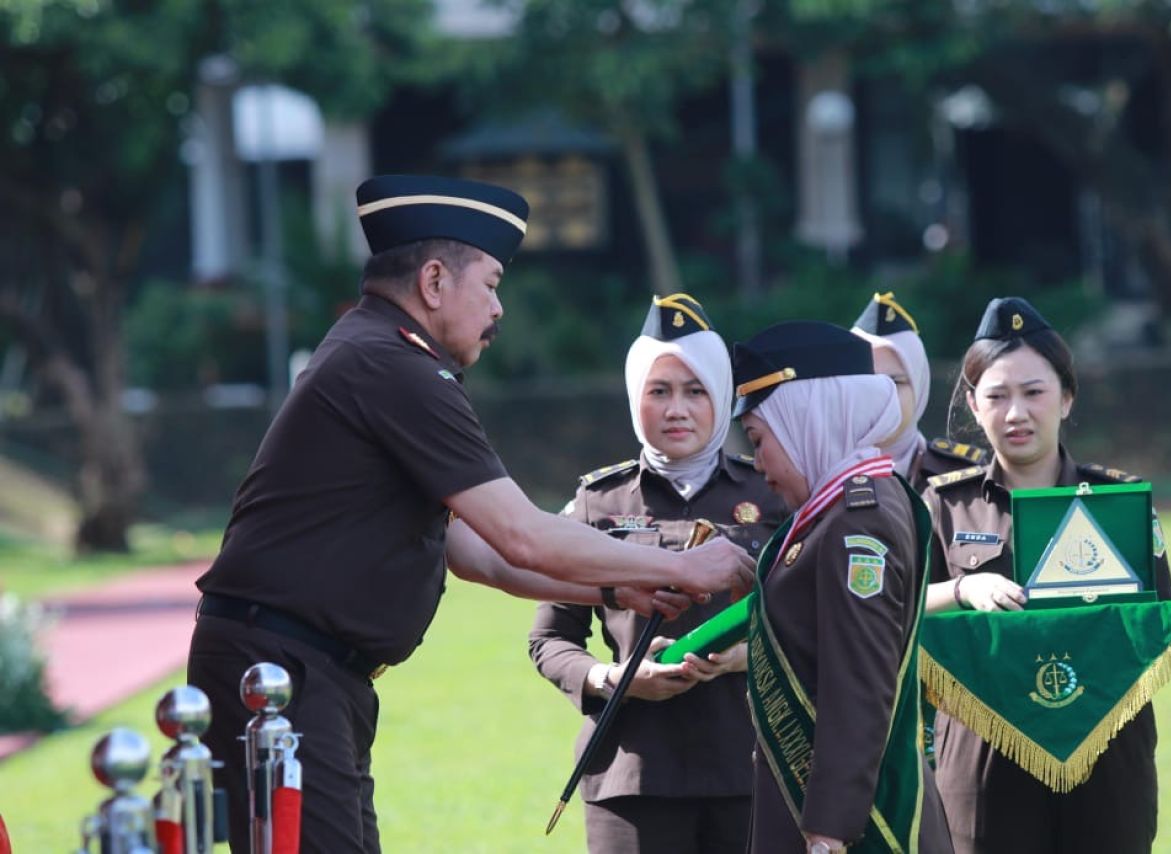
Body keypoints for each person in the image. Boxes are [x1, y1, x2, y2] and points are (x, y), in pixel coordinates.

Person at [186, 175, 755, 853]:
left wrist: (614, 587)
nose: (498, 306)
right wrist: (686, 566)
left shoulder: (377, 352)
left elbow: (479, 554)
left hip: (304, 670)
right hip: (286, 670)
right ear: (433, 282)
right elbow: (521, 533)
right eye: (489, 283)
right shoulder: (395, 367)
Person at [528, 294, 787, 854]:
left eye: (696, 391)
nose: (677, 410)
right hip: (632, 776)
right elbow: (549, 639)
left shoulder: (771, 494)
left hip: (751, 772)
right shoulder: (597, 502)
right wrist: (612, 678)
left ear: (722, 395)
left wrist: (749, 656)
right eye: (659, 391)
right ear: (633, 397)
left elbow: (809, 620)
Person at [921, 296, 1171, 854]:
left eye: (1034, 392)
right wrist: (963, 589)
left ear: (1066, 397)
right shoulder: (944, 506)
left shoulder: (1117, 503)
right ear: (972, 402)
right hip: (984, 756)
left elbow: (1158, 623)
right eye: (997, 395)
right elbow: (894, 612)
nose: (1016, 413)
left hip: (1105, 750)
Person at [732, 321, 953, 854]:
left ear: (807, 420)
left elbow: (859, 684)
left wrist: (829, 830)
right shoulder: (853, 503)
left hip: (851, 826)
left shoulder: (857, 520)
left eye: (760, 440)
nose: (758, 463)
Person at [850, 291, 988, 491]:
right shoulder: (815, 475)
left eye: (894, 382)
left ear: (919, 388)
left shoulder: (964, 473)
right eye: (866, 383)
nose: (881, 396)